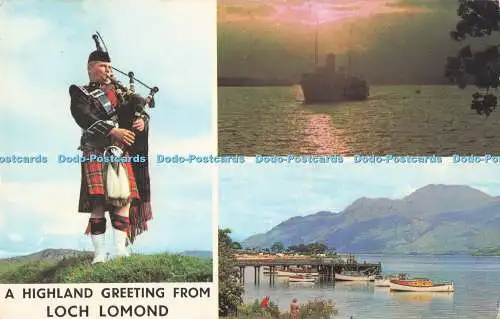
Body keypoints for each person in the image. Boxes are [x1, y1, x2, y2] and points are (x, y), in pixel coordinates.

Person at [69, 48, 151, 263]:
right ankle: (99, 254)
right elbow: (82, 116)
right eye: (103, 66)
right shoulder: (80, 92)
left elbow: (138, 111)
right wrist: (111, 130)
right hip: (95, 150)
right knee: (98, 202)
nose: (107, 70)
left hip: (120, 151)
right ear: (90, 67)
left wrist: (142, 120)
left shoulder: (121, 93)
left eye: (109, 67)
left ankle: (120, 251)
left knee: (123, 199)